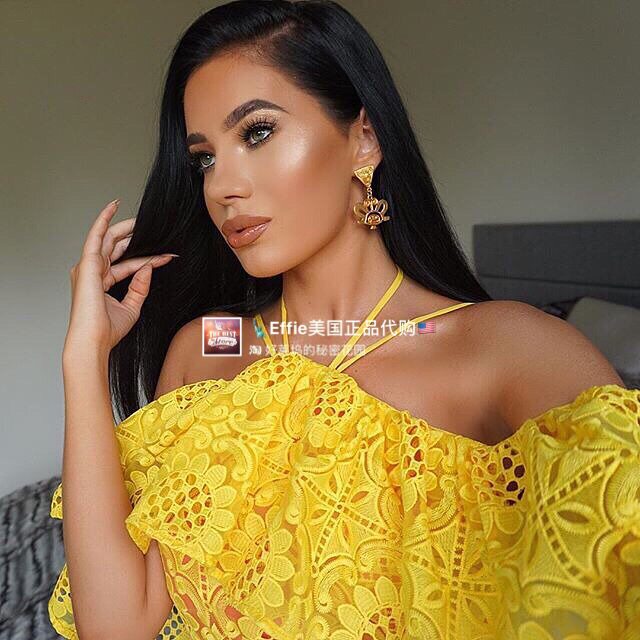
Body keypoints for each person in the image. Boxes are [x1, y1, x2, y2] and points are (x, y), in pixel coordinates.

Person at [49, 1, 640, 639]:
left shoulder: (509, 350)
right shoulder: (210, 349)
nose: (220, 186)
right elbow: (117, 628)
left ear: (364, 137)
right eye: (204, 159)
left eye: (256, 133)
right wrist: (84, 358)